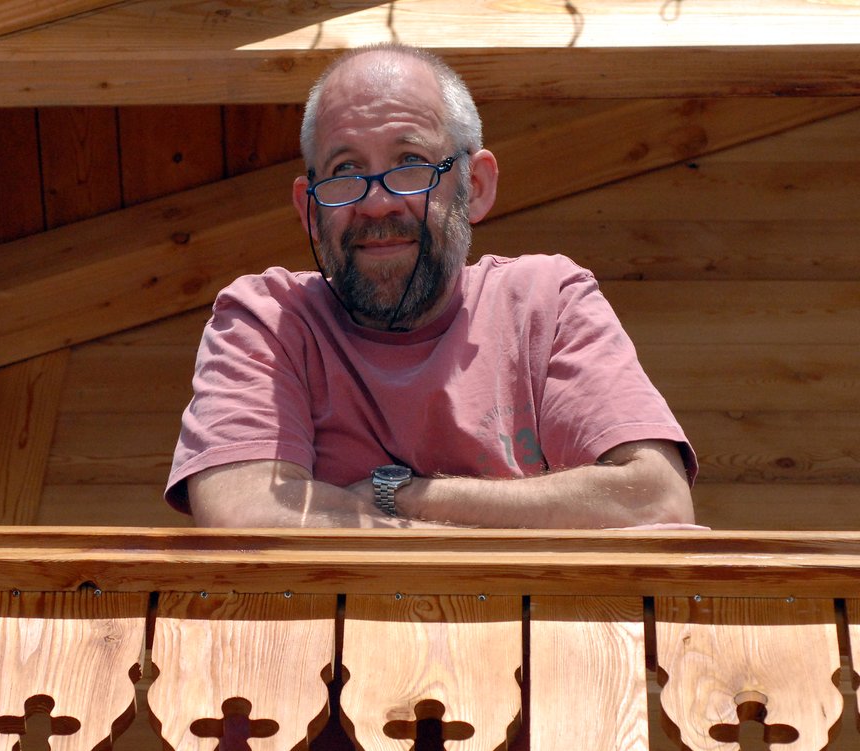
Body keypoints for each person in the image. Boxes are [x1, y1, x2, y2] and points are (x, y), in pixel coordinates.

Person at [166, 44, 696, 529]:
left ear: (477, 186)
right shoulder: (267, 318)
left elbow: (653, 499)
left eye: (411, 164)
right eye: (346, 169)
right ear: (309, 208)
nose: (377, 203)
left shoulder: (547, 300)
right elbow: (245, 513)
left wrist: (401, 496)